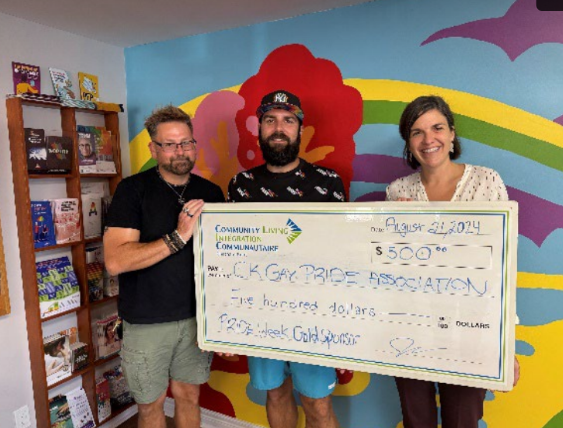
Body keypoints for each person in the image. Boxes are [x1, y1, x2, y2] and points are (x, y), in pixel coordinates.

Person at [386, 95, 520, 428]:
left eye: (437, 128)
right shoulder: (397, 191)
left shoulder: (486, 182)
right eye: (417, 132)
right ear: (408, 142)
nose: (428, 139)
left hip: (469, 330)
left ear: (452, 133)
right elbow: (389, 269)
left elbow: (501, 269)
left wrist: (503, 343)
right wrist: (397, 228)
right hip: (410, 327)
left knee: (462, 420)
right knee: (416, 421)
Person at [227, 90, 346, 428]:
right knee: (275, 393)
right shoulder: (240, 185)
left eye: (288, 120)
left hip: (316, 315)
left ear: (300, 129)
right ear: (259, 128)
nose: (278, 128)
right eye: (270, 120)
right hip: (260, 312)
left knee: (317, 403)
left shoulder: (328, 183)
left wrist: (345, 323)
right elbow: (229, 259)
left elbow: (344, 256)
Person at [104, 105, 224, 428]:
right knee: (151, 406)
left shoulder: (211, 193)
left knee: (189, 396)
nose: (180, 151)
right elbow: (115, 261)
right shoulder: (132, 190)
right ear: (153, 149)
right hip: (147, 322)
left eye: (186, 142)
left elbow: (223, 259)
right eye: (169, 144)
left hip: (196, 319)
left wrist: (225, 320)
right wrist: (177, 237)